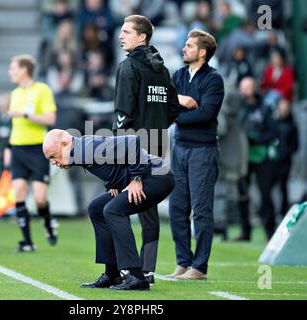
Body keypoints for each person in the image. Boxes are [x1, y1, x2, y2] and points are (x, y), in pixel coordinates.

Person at [42, 129, 175, 291]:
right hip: (145, 176)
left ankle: (136, 276)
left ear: (65, 144)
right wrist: (113, 184)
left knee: (112, 210)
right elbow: (111, 163)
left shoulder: (85, 147)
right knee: (97, 208)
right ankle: (112, 274)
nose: (53, 162)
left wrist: (136, 179)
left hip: (157, 176)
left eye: (53, 156)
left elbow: (133, 142)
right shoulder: (78, 151)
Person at [112, 14, 180, 284]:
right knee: (148, 209)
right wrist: (158, 127)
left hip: (133, 145)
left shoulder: (128, 67)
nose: (121, 35)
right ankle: (147, 269)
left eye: (127, 31)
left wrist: (119, 153)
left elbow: (122, 117)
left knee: (113, 207)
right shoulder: (161, 69)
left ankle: (125, 269)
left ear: (142, 37)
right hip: (158, 145)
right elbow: (174, 108)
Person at [167, 29, 224, 280]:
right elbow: (163, 106)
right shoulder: (178, 76)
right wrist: (179, 99)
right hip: (179, 149)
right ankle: (183, 263)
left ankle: (199, 267)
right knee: (177, 208)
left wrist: (176, 116)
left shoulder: (214, 80)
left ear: (202, 52)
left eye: (189, 46)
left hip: (203, 150)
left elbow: (205, 114)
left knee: (201, 211)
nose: (183, 48)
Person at [7, 54, 59, 252]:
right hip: (18, 148)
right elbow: (13, 125)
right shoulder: (15, 93)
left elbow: (50, 118)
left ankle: (48, 222)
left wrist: (26, 114)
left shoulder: (42, 90)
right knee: (19, 192)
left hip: (37, 149)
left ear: (23, 70)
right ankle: (27, 242)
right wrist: (7, 149)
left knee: (39, 198)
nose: (10, 72)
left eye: (13, 68)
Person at [236, 77, 278, 241]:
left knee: (265, 195)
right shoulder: (238, 107)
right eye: (242, 87)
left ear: (254, 88)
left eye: (248, 87)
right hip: (243, 158)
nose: (245, 90)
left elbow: (274, 131)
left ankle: (270, 232)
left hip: (261, 156)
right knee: (242, 195)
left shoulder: (265, 108)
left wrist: (257, 139)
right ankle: (245, 232)